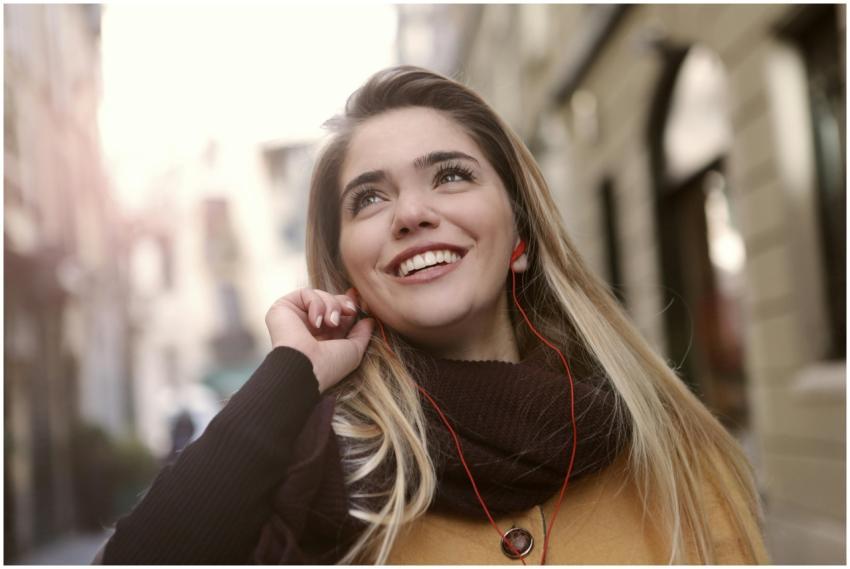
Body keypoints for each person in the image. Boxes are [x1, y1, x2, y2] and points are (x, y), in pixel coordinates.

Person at [98, 66, 769, 564]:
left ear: (520, 240)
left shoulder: (676, 455)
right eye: (368, 198)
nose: (412, 213)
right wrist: (290, 372)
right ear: (346, 270)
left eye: (450, 175)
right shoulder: (317, 475)